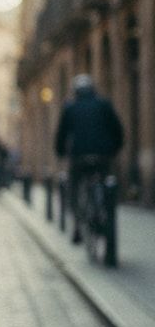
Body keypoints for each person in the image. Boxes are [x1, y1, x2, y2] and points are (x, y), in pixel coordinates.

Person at [54, 73, 124, 243]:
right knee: (107, 183)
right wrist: (114, 149)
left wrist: (60, 152)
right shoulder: (104, 104)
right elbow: (118, 130)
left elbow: (61, 135)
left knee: (75, 188)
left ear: (75, 91)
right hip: (102, 156)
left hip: (79, 157)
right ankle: (106, 211)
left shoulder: (70, 107)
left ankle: (78, 226)